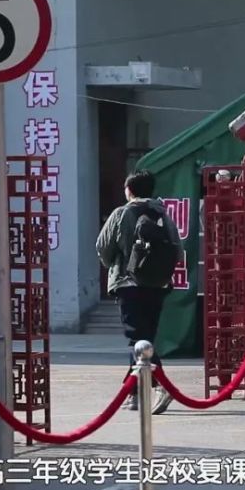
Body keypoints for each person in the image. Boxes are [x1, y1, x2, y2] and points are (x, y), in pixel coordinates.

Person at [97, 169, 183, 415]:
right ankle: (133, 393)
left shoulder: (121, 213)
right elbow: (177, 251)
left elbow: (102, 247)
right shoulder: (163, 214)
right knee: (144, 340)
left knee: (138, 340)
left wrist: (115, 265)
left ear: (129, 190)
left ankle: (162, 386)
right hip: (158, 285)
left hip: (129, 284)